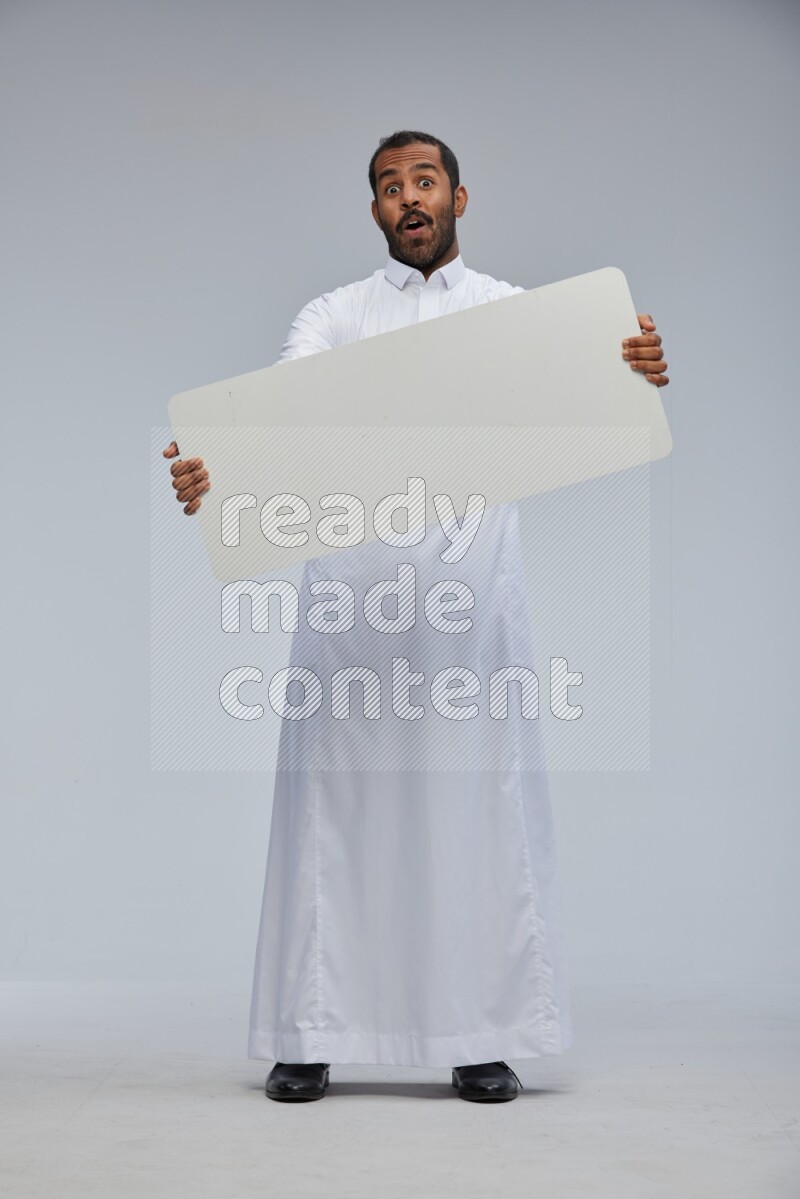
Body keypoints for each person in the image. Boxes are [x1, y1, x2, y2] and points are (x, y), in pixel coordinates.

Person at [163, 130, 669, 1104]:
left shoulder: (512, 313)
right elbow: (274, 416)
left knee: (475, 812)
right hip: (349, 605)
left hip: (468, 608)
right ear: (372, 210)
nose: (408, 197)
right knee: (331, 815)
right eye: (389, 186)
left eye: (423, 181)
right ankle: (307, 1032)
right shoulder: (332, 314)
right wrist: (214, 469)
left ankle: (481, 1033)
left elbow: (597, 384)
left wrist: (634, 363)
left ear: (459, 198)